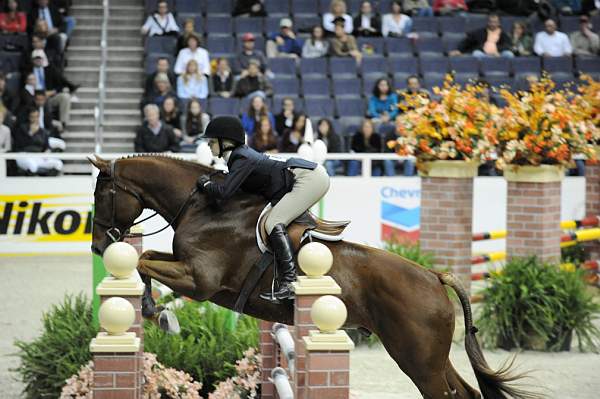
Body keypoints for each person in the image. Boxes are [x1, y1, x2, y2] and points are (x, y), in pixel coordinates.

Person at [197, 116, 330, 301]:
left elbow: (225, 192)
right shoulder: (239, 156)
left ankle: (289, 282)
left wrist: (205, 184)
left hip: (309, 178)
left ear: (225, 142)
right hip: (303, 175)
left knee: (273, 222)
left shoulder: (242, 157)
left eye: (212, 141)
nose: (209, 145)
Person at [27, 52, 78, 129]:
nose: (38, 61)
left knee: (65, 97)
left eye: (40, 59)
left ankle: (63, 123)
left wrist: (53, 92)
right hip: (34, 98)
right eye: (36, 59)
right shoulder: (28, 72)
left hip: (49, 97)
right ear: (32, 60)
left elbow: (60, 84)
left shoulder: (50, 70)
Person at [13, 108, 63, 175]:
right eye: (32, 117)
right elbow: (20, 145)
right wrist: (31, 133)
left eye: (36, 116)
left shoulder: (43, 131)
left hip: (38, 155)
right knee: (32, 166)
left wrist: (47, 152)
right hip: (24, 155)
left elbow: (47, 146)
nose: (34, 119)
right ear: (29, 117)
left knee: (58, 164)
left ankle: (48, 182)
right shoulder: (22, 128)